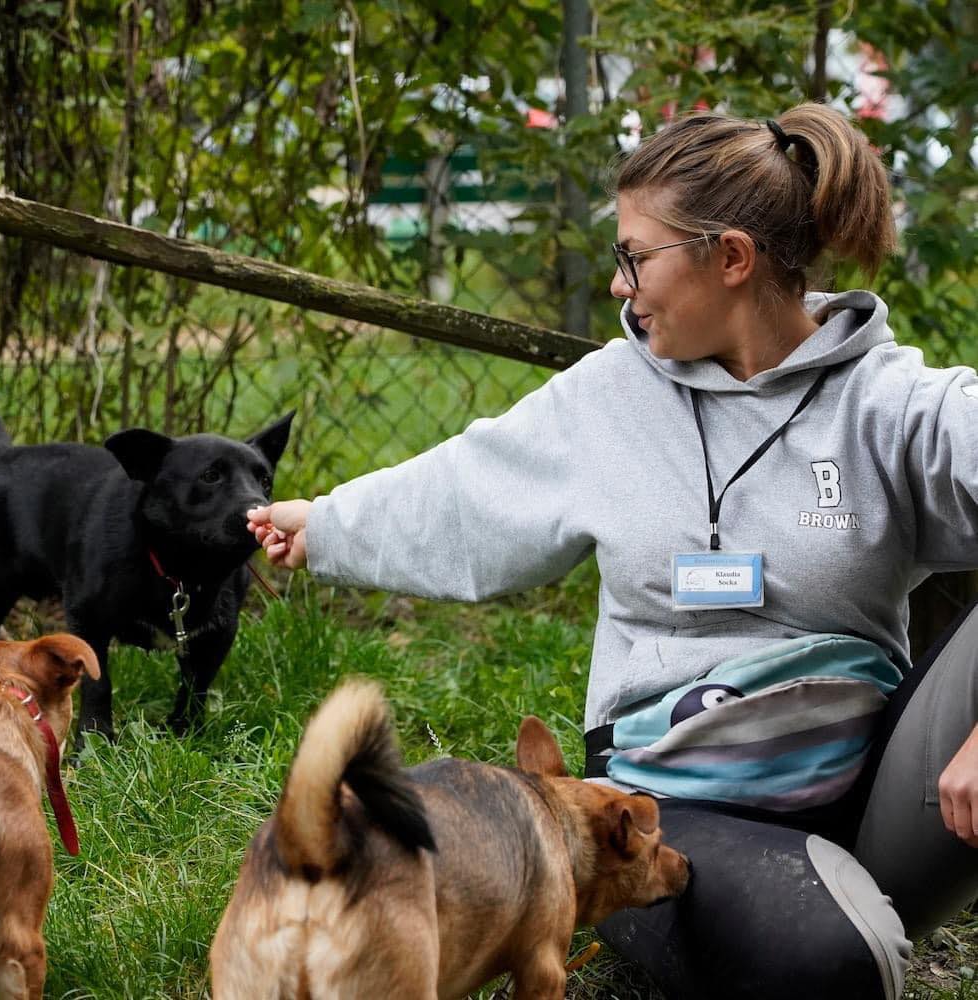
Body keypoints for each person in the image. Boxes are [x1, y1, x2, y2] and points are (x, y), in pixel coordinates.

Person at [246, 103, 978, 1000]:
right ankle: (829, 919)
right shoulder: (608, 398)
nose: (620, 284)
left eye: (636, 256)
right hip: (673, 816)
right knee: (831, 962)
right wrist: (324, 525)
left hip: (875, 791)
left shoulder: (891, 403)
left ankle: (851, 896)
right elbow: (467, 490)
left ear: (732, 257)